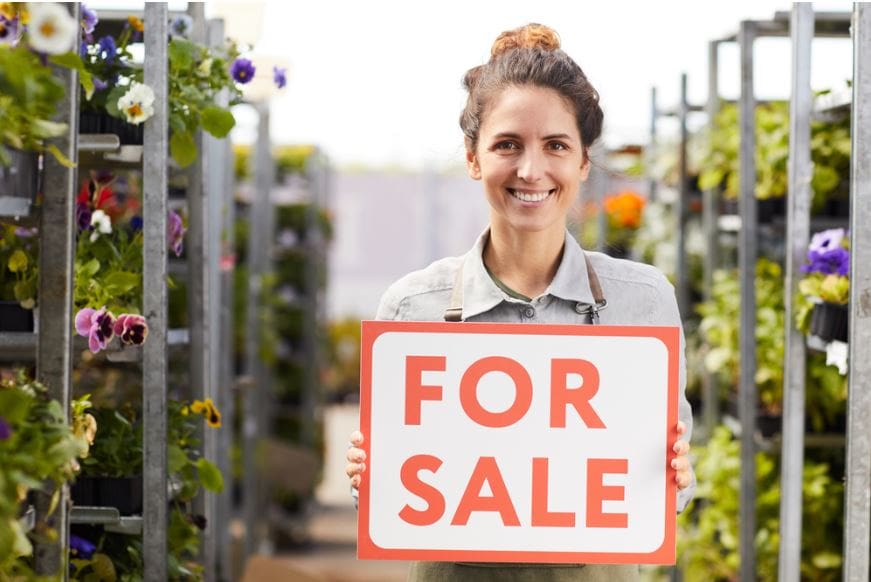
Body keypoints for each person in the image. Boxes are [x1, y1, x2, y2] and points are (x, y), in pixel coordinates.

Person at [346, 22, 695, 582]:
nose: (531, 170)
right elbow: (391, 507)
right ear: (473, 158)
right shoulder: (413, 307)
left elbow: (666, 494)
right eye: (507, 144)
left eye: (555, 145)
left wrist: (672, 475)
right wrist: (373, 478)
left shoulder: (643, 298)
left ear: (583, 161)